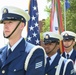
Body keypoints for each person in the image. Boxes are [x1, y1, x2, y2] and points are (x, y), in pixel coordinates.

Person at [0, 6, 46, 75]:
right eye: (4, 23)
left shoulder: (34, 52)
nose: (6, 26)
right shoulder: (1, 52)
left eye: (10, 22)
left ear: (21, 25)